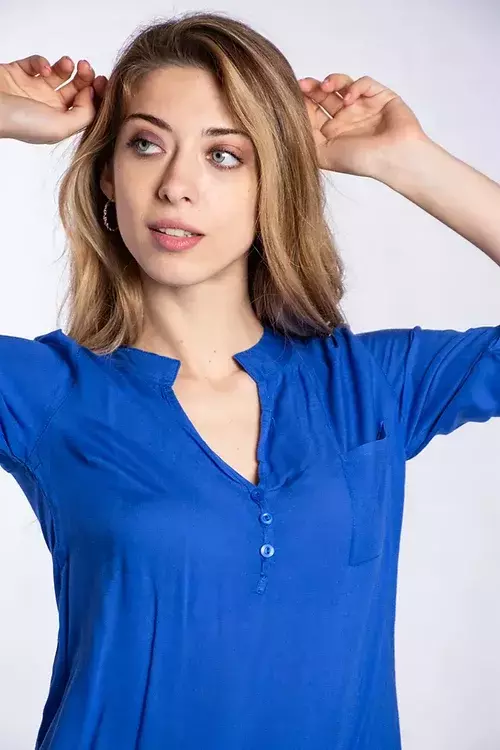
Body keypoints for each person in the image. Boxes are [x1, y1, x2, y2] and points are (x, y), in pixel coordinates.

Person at [0, 10, 499, 750]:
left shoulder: (371, 385)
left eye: (224, 155)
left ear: (275, 185)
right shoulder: (44, 393)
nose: (176, 186)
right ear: (108, 174)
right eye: (146, 144)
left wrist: (409, 162)